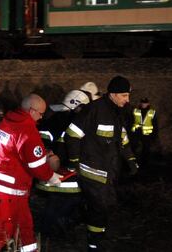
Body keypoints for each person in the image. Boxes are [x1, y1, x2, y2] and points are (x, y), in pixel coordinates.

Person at [65, 76, 139, 251]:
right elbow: (72, 134)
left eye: (128, 95)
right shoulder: (93, 110)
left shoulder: (117, 112)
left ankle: (96, 234)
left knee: (104, 206)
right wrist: (74, 161)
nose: (127, 100)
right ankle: (94, 242)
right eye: (124, 95)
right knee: (100, 206)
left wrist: (131, 159)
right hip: (92, 170)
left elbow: (122, 139)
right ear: (112, 94)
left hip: (109, 171)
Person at [0, 93, 62, 252]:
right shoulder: (28, 130)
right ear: (32, 111)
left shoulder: (6, 121)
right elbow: (36, 165)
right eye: (40, 113)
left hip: (3, 189)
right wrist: (51, 176)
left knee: (24, 228)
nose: (41, 118)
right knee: (0, 234)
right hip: (8, 192)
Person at [36, 90, 90, 242]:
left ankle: (49, 231)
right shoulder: (69, 121)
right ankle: (48, 232)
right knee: (61, 203)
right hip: (62, 175)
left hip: (58, 174)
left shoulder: (58, 119)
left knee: (56, 204)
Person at [130, 97, 158, 166]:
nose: (143, 104)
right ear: (140, 103)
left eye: (145, 103)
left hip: (147, 134)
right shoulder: (135, 110)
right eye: (142, 103)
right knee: (133, 148)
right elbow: (130, 121)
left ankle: (145, 164)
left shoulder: (152, 112)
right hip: (136, 132)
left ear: (148, 103)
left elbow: (155, 124)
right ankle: (133, 163)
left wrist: (154, 135)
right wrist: (131, 131)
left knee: (146, 149)